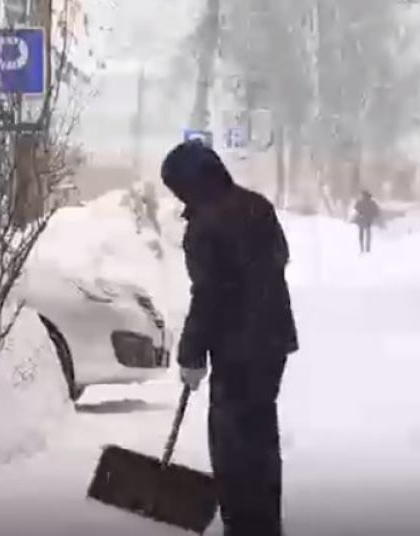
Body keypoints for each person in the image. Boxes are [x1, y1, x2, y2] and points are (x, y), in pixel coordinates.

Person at [161, 139, 299, 536]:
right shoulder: (257, 206)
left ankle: (244, 527)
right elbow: (280, 258)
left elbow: (208, 294)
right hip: (272, 343)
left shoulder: (205, 225)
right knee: (260, 435)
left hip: (237, 349)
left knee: (232, 448)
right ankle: (265, 524)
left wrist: (191, 356)